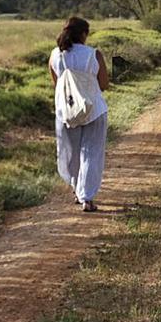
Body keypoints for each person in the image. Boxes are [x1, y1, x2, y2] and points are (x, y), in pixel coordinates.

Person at [48, 16, 109, 213]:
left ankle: (76, 189)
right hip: (94, 109)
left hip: (66, 110)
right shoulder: (94, 54)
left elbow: (57, 85)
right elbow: (104, 84)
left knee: (69, 152)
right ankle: (87, 197)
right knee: (92, 152)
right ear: (83, 34)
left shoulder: (56, 55)